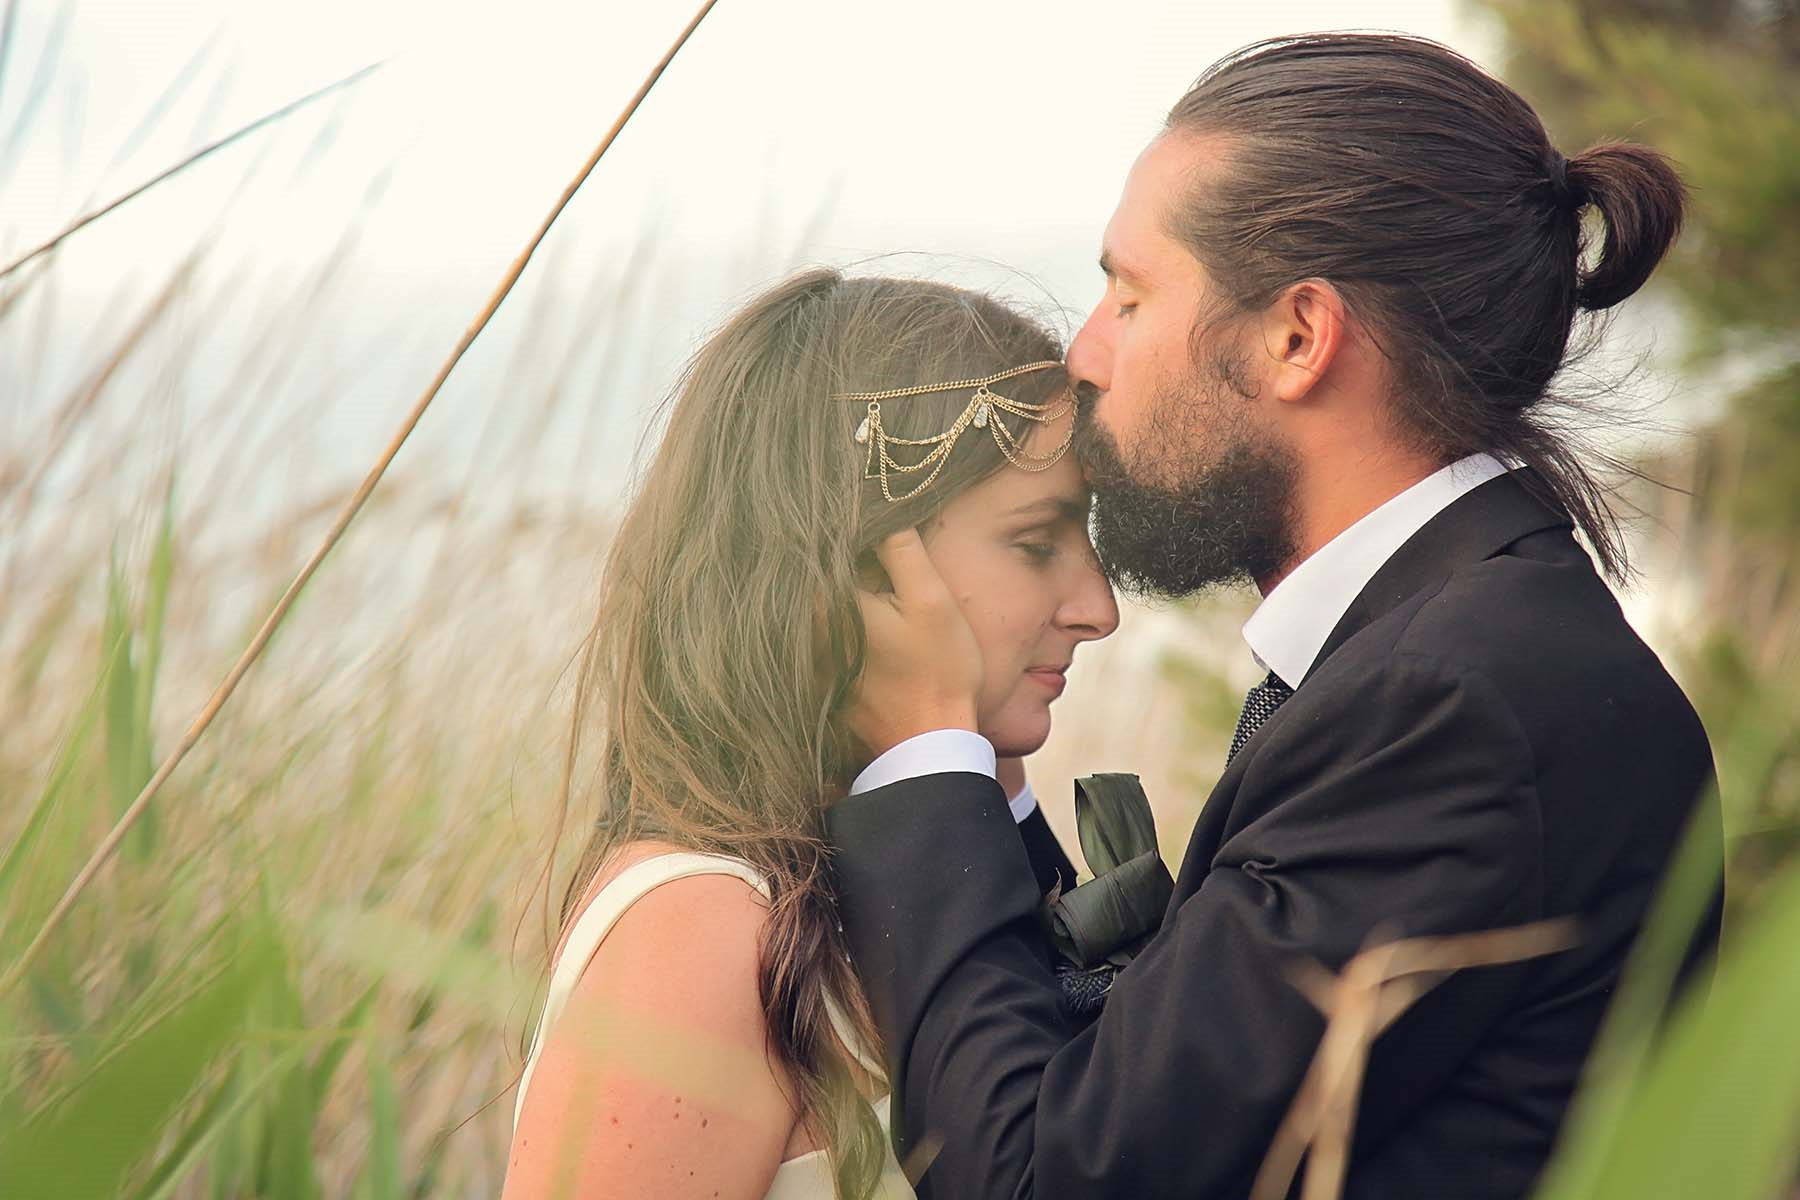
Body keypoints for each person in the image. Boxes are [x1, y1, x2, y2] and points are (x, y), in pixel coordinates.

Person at [828, 32, 1722, 1199]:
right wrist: (994, 795)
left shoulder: (1448, 707)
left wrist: (923, 754)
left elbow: (1045, 1176)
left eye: (1129, 296)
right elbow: (1171, 1085)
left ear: (1298, 337)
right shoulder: (1461, 648)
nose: (1084, 356)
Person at [502, 269, 1119, 1200]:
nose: (1099, 608)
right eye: (1037, 544)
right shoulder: (700, 932)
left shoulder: (909, 879)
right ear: (868, 565)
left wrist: (963, 776)